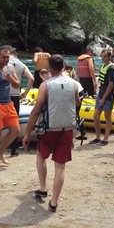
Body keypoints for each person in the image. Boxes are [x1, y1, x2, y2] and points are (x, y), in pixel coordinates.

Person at [22, 54, 80, 212]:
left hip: (48, 129)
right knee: (60, 166)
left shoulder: (45, 85)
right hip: (66, 129)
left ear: (49, 67)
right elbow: (77, 102)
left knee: (41, 156)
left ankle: (43, 187)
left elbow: (36, 110)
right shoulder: (73, 83)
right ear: (63, 66)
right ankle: (54, 202)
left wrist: (27, 133)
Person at [8, 48, 34, 156]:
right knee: (14, 122)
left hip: (3, 95)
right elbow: (31, 79)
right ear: (16, 54)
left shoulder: (3, 63)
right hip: (15, 95)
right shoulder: (21, 64)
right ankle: (13, 149)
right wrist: (25, 93)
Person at [90, 49, 114, 145]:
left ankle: (105, 139)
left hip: (108, 95)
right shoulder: (103, 66)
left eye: (105, 56)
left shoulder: (112, 68)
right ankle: (97, 137)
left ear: (109, 57)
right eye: (102, 56)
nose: (102, 58)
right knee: (95, 116)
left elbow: (111, 85)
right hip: (101, 92)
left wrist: (103, 98)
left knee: (107, 117)